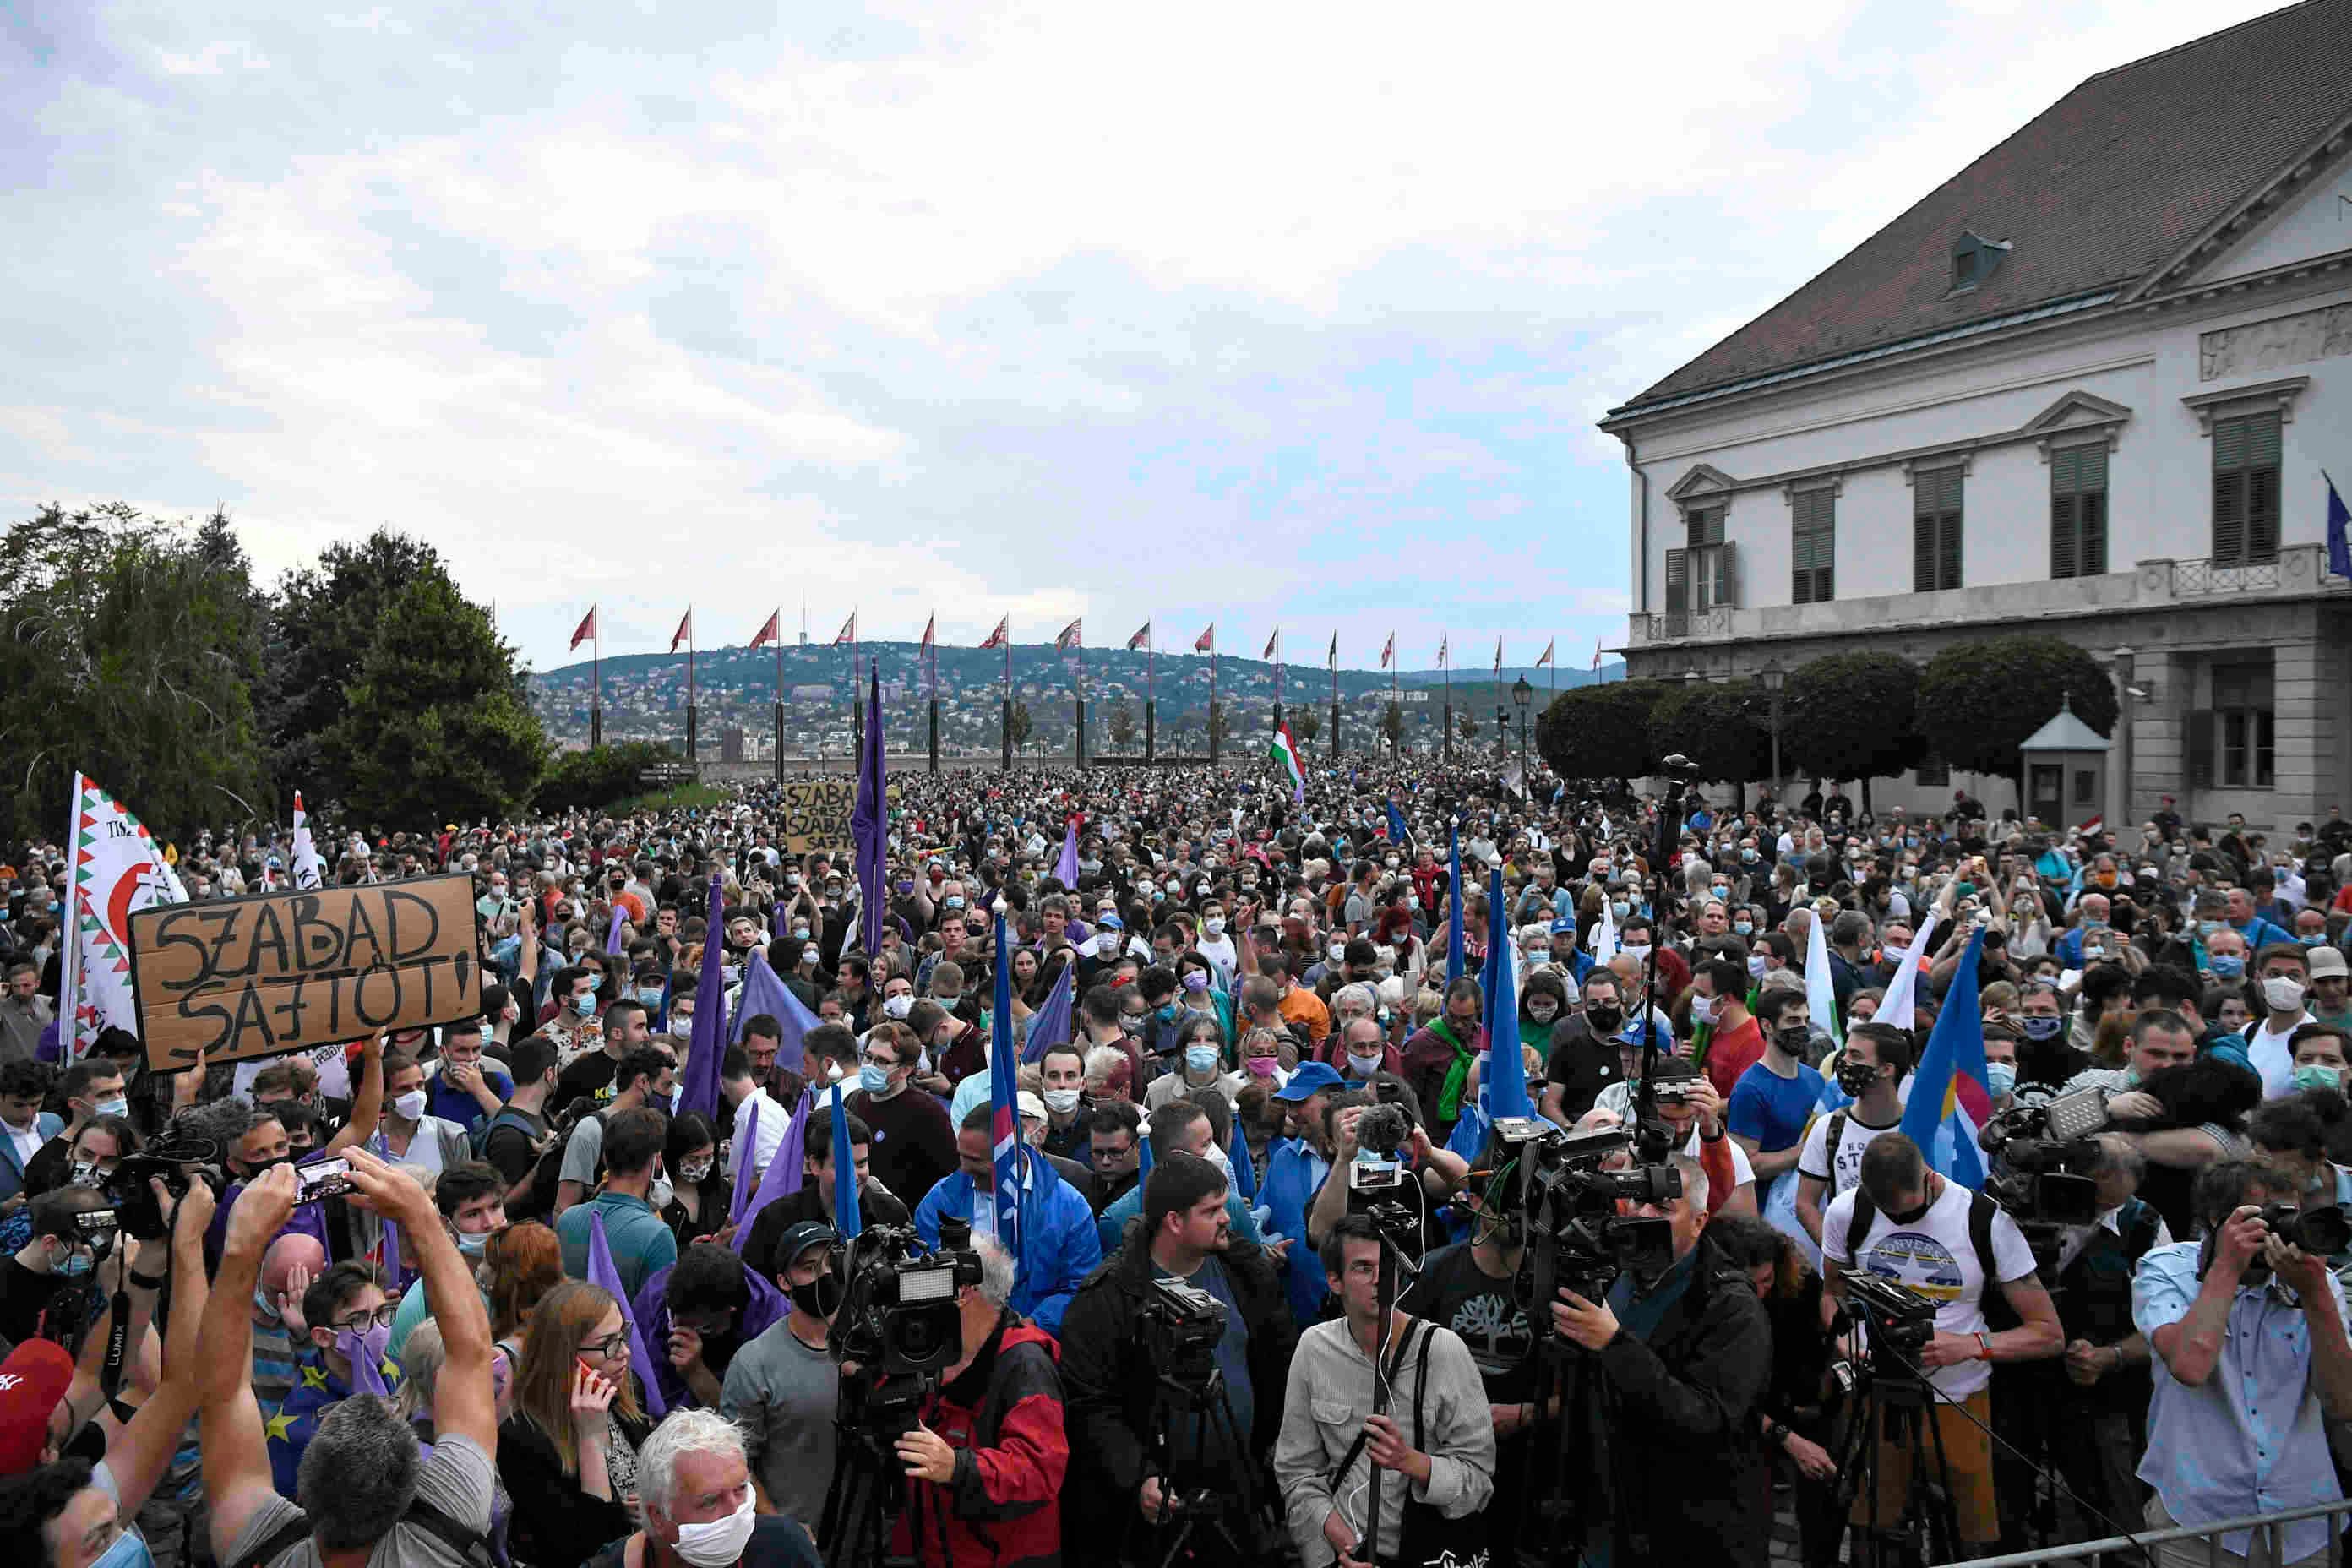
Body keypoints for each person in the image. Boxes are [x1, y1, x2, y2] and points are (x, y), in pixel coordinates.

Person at [198, 1150, 500, 1568]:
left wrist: (239, 1249)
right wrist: (421, 1216)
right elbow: (471, 1354)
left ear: (303, 1493)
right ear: (413, 1485)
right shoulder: (447, 1524)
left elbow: (223, 1395)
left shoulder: (265, 1551)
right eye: (358, 1319)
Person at [1821, 1134, 2063, 1555]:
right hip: (1879, 1395)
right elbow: (1832, 1294)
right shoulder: (1848, 1211)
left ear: (1930, 1179)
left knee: (1969, 1535)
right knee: (1874, 1526)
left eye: (1908, 1212)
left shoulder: (1984, 1220)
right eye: (1887, 1214)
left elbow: (2049, 1334)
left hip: (1960, 1397)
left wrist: (1970, 1345)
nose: (1898, 1221)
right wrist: (1845, 1336)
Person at [1059, 1152, 1298, 1558]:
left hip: (1239, 1488)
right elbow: (1090, 1403)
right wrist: (1138, 1476)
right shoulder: (1111, 1297)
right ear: (1174, 1220)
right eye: (1212, 1210)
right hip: (1157, 1505)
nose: (1226, 1218)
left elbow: (1279, 1363)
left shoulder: (1246, 1273)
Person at [1546, 1152, 1773, 1566]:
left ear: (1699, 1221)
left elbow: (1707, 1418)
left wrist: (1614, 1344)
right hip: (1607, 1509)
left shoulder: (1731, 1305)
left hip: (1691, 1528)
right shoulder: (1611, 1270)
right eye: (1638, 1202)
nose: (1644, 1214)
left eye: (1663, 1207)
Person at [2135, 1161, 2352, 1567]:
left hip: (2302, 1518)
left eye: (2291, 1216)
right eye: (2269, 1215)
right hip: (2197, 1520)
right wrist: (2227, 1266)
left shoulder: (2316, 1281)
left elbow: (2344, 1404)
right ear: (2219, 1220)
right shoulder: (2166, 1269)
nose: (2282, 1232)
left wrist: (2315, 1294)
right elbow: (2190, 1366)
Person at [1271, 1214, 1495, 1568]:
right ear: (1335, 1281)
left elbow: (1479, 1483)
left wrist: (1412, 1462)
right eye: (1362, 1268)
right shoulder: (1314, 1348)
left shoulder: (1442, 1350)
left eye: (1387, 1265)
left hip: (1428, 1554)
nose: (1380, 1280)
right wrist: (1338, 1543)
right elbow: (1296, 1473)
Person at [1396, 1138, 1542, 1565]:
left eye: (1526, 1204)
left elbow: (1588, 1387)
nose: (1517, 1218)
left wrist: (1524, 1414)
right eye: (1505, 1203)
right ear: (1474, 1199)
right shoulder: (1435, 1275)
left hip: (1529, 1476)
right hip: (1447, 1472)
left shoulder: (1555, 1282)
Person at [885, 1233, 1068, 1568]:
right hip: (939, 1548)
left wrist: (958, 1468)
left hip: (1002, 1558)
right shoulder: (937, 1351)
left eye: (933, 1281)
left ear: (963, 1292)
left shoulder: (1025, 1363)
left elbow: (1039, 1471)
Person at [499, 1278, 657, 1568]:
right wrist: (590, 1440)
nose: (625, 1353)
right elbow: (587, 1549)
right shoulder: (520, 1438)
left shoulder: (625, 1388)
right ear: (566, 1359)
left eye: (622, 1335)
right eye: (608, 1345)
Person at [914, 1104, 1102, 1333]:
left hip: (1034, 1346)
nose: (964, 1169)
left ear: (1010, 1153)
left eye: (975, 1160)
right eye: (962, 1156)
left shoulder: (1070, 1208)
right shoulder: (941, 1201)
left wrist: (1032, 1326)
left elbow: (1080, 1288)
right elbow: (923, 1277)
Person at [585, 1407, 819, 1568]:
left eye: (740, 1489)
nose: (734, 1512)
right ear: (658, 1516)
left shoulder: (787, 1549)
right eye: (710, 1501)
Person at [720, 1221, 842, 1529]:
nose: (825, 1274)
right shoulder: (754, 1364)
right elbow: (737, 1466)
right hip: (799, 1543)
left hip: (868, 1540)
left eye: (831, 1262)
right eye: (810, 1267)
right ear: (784, 1281)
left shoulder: (872, 1346)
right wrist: (782, 1531)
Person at [734, 1109, 912, 1277]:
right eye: (843, 1167)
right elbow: (758, 1291)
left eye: (861, 1164)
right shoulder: (777, 1220)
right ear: (815, 1165)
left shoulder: (891, 1213)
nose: (853, 1177)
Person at [1096, 1097, 1266, 1257]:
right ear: (1178, 1157)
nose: (1217, 1152)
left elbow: (1257, 1269)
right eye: (1206, 1144)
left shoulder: (1230, 1204)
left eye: (1213, 1140)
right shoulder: (1117, 1219)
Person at [1794, 1021, 1912, 1245]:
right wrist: (1837, 1256)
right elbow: (1805, 1204)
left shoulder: (1918, 1131)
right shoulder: (1828, 1127)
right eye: (1846, 1053)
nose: (1844, 1063)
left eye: (1855, 1056)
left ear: (1887, 1069)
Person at [633, 1240, 786, 1413]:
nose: (677, 1334)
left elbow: (746, 1423)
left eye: (698, 1329)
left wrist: (696, 1372)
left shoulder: (772, 1326)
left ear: (729, 1311)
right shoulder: (656, 1294)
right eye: (672, 1319)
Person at [556, 1107, 681, 1300]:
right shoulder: (658, 1237)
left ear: (605, 1158)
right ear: (657, 1161)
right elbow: (657, 1318)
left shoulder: (566, 1221)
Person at [387, 1161, 506, 1362]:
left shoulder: (525, 1273)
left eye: (495, 1207)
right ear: (445, 1223)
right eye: (473, 1214)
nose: (490, 1223)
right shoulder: (421, 1302)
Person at [1726, 988, 1826, 1204]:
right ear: (1767, 1026)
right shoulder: (1750, 1089)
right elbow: (1746, 1165)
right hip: (1770, 1210)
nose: (1802, 1027)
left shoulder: (1816, 1079)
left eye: (1806, 1020)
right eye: (1792, 1020)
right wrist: (1807, 1151)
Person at [845, 1023, 956, 1211]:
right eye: (868, 1057)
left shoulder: (927, 1113)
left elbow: (948, 1179)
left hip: (906, 1225)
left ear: (906, 1069)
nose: (871, 1066)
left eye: (882, 1061)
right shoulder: (853, 1101)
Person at [553, 1046, 676, 1215]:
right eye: (667, 1085)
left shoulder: (652, 1130)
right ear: (643, 1082)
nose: (672, 1093)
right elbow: (564, 1208)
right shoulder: (591, 1130)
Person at [480, 1035, 564, 1220]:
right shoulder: (508, 1135)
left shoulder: (541, 1114)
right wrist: (544, 1162)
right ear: (549, 1073)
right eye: (557, 1071)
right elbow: (501, 1205)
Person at [1399, 977, 1486, 1142]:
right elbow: (1408, 1096)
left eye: (1466, 1019)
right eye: (1453, 1017)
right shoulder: (1421, 1043)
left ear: (1478, 1011)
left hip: (1475, 1133)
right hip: (1435, 1138)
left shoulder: (1485, 1041)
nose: (1459, 1025)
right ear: (1445, 1006)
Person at [1538, 970, 1627, 1128]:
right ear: (1584, 1008)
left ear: (1622, 1003)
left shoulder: (1636, 1052)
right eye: (1594, 1003)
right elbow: (1550, 1102)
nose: (1602, 1008)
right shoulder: (1568, 1051)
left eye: (1609, 1001)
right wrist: (1571, 1129)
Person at [422, 1018, 512, 1140]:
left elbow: (513, 1128)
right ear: (443, 1052)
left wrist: (480, 1090)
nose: (470, 1058)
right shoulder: (428, 1093)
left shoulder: (499, 1082)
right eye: (462, 1051)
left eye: (476, 1049)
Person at [657, 1112, 732, 1249]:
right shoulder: (655, 1197)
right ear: (674, 1154)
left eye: (708, 1157)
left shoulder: (723, 1191)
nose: (701, 1165)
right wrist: (687, 1251)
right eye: (693, 1158)